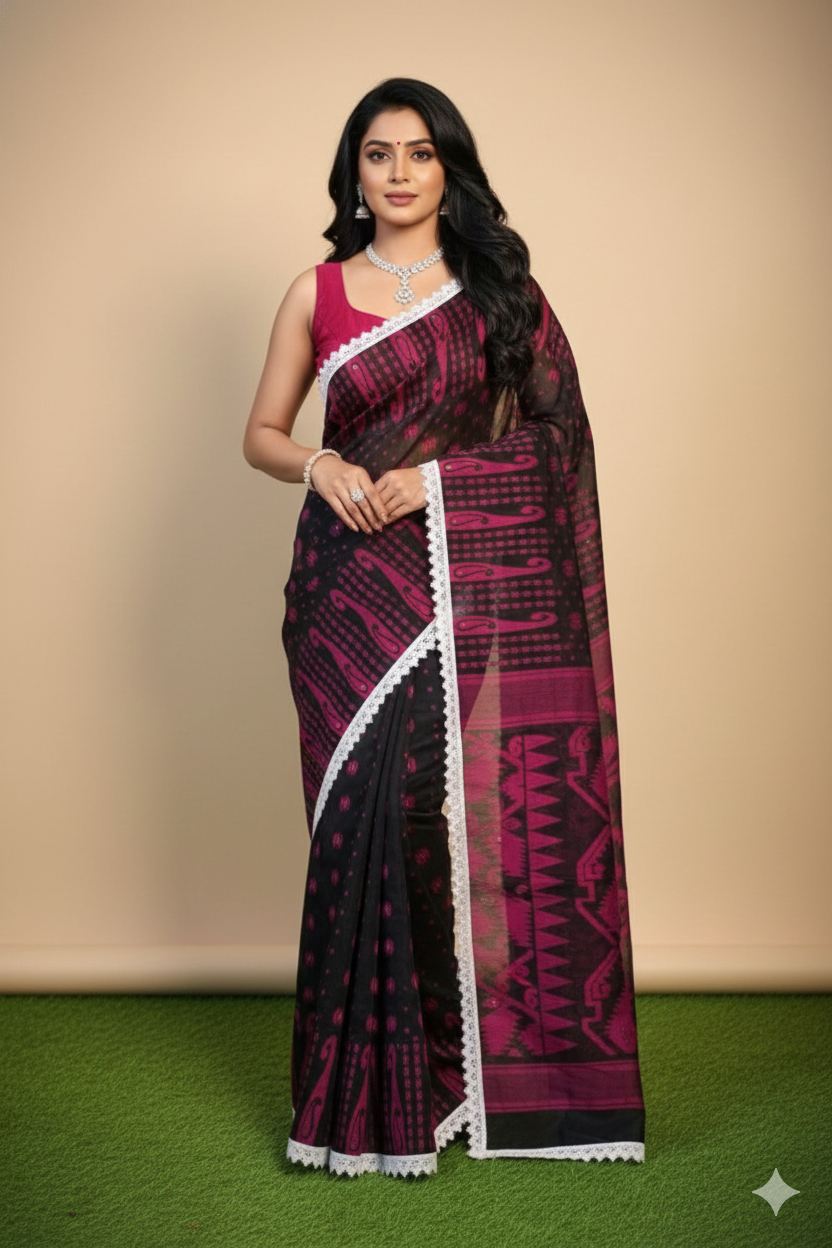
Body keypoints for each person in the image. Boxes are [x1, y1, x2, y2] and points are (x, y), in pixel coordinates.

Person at [243, 78, 645, 1178]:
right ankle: (366, 1097)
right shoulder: (316, 291)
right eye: (379, 154)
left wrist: (434, 482)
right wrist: (320, 464)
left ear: (449, 168)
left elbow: (559, 437)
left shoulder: (500, 294)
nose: (400, 173)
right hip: (339, 594)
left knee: (422, 813)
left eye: (421, 153)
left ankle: (454, 1071)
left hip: (455, 583)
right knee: (352, 822)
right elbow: (262, 432)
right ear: (353, 173)